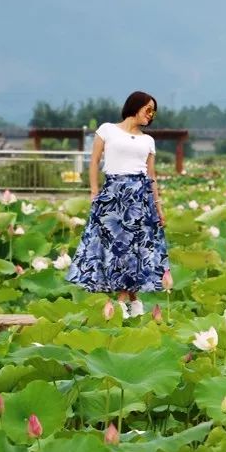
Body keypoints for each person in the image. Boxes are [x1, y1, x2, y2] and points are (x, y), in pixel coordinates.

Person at [66, 91, 170, 318]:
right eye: (148, 109)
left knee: (135, 249)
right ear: (136, 106)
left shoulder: (147, 140)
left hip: (140, 197)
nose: (151, 115)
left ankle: (123, 301)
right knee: (113, 247)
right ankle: (133, 301)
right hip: (113, 193)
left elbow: (151, 175)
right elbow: (94, 161)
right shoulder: (107, 130)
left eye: (154, 111)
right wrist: (94, 191)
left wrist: (158, 207)